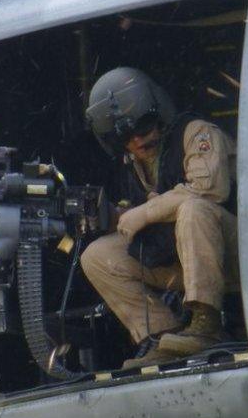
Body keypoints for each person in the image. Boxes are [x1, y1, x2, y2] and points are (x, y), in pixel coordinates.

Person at [80, 67, 238, 369]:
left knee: (194, 208)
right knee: (97, 256)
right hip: (184, 261)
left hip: (239, 254)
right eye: (126, 135)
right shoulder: (133, 166)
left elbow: (209, 191)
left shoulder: (197, 134)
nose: (139, 139)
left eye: (144, 125)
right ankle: (165, 337)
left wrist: (145, 213)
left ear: (158, 113)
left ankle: (206, 323)